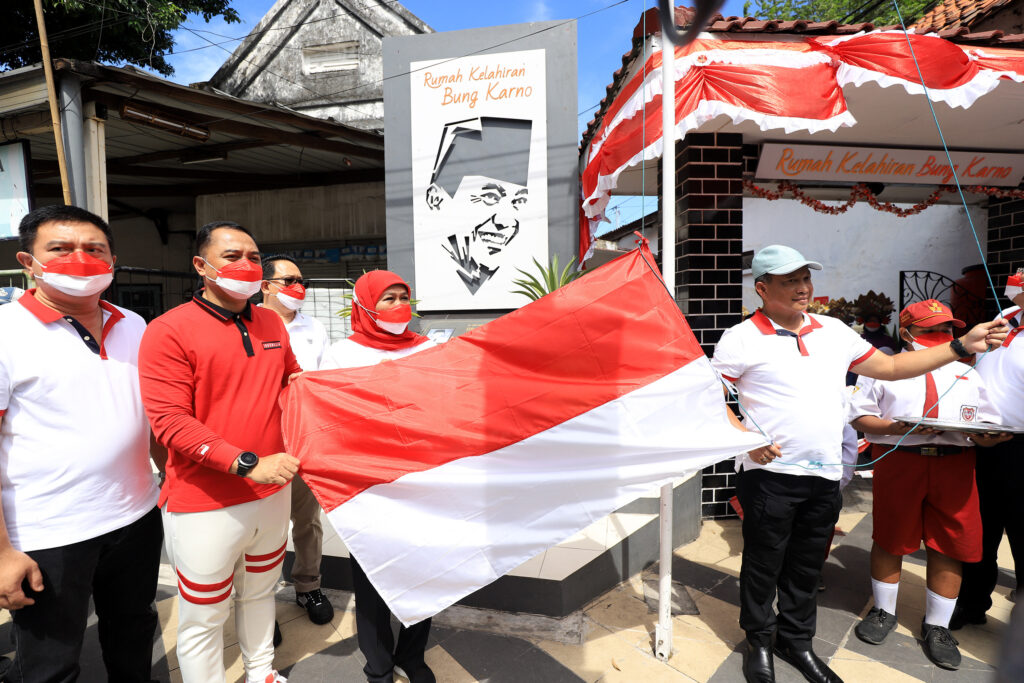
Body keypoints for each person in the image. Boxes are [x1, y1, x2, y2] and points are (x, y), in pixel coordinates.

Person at [711, 245, 1007, 683]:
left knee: (806, 568)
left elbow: (890, 367)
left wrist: (960, 345)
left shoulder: (832, 330)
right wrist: (746, 439)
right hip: (771, 477)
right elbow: (712, 397)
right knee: (762, 565)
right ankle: (759, 640)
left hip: (825, 474)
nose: (803, 288)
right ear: (762, 287)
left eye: (805, 278)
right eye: (790, 281)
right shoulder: (740, 338)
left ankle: (797, 642)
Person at [0, 205, 162, 682]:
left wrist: (171, 478)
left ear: (112, 260)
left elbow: (148, 416)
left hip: (135, 517)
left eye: (94, 249)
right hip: (49, 532)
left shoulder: (134, 324)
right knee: (51, 662)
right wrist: (3, 553)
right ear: (28, 262)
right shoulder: (6, 333)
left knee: (133, 630)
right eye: (61, 249)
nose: (80, 259)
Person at [138, 221, 302, 683]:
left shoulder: (270, 321)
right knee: (205, 615)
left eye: (254, 257)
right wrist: (248, 462)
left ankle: (262, 672)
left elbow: (292, 382)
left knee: (262, 593)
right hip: (206, 500)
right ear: (201, 265)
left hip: (272, 493)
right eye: (232, 256)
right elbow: (170, 422)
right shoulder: (168, 330)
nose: (246, 265)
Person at [849, 299, 1009, 670]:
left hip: (955, 466)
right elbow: (860, 418)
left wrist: (989, 437)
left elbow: (985, 423)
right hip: (901, 463)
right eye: (929, 330)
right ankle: (883, 612)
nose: (942, 336)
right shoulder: (884, 370)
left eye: (948, 329)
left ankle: (937, 625)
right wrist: (895, 428)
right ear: (906, 333)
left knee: (950, 543)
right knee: (891, 537)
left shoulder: (968, 373)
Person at [320, 270, 436, 683]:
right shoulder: (340, 355)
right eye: (388, 299)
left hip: (421, 478)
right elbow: (329, 417)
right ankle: (379, 663)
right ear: (365, 307)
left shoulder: (427, 349)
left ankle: (413, 654)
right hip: (367, 484)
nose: (399, 305)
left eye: (404, 296)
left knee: (423, 569)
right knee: (372, 574)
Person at [259, 254, 334, 625]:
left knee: (307, 522)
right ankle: (258, 600)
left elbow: (322, 382)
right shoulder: (250, 325)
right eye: (288, 281)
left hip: (303, 440)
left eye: (300, 280)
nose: (297, 287)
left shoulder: (314, 328)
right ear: (265, 286)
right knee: (262, 527)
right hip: (259, 443)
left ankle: (308, 586)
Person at [953, 269, 1024, 630]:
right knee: (980, 529)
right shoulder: (1004, 319)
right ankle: (972, 602)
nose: (1018, 277)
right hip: (981, 443)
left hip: (1020, 447)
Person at [424, 116, 532, 294]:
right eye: (490, 196)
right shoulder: (431, 282)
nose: (508, 221)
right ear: (437, 199)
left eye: (518, 201)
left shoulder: (511, 284)